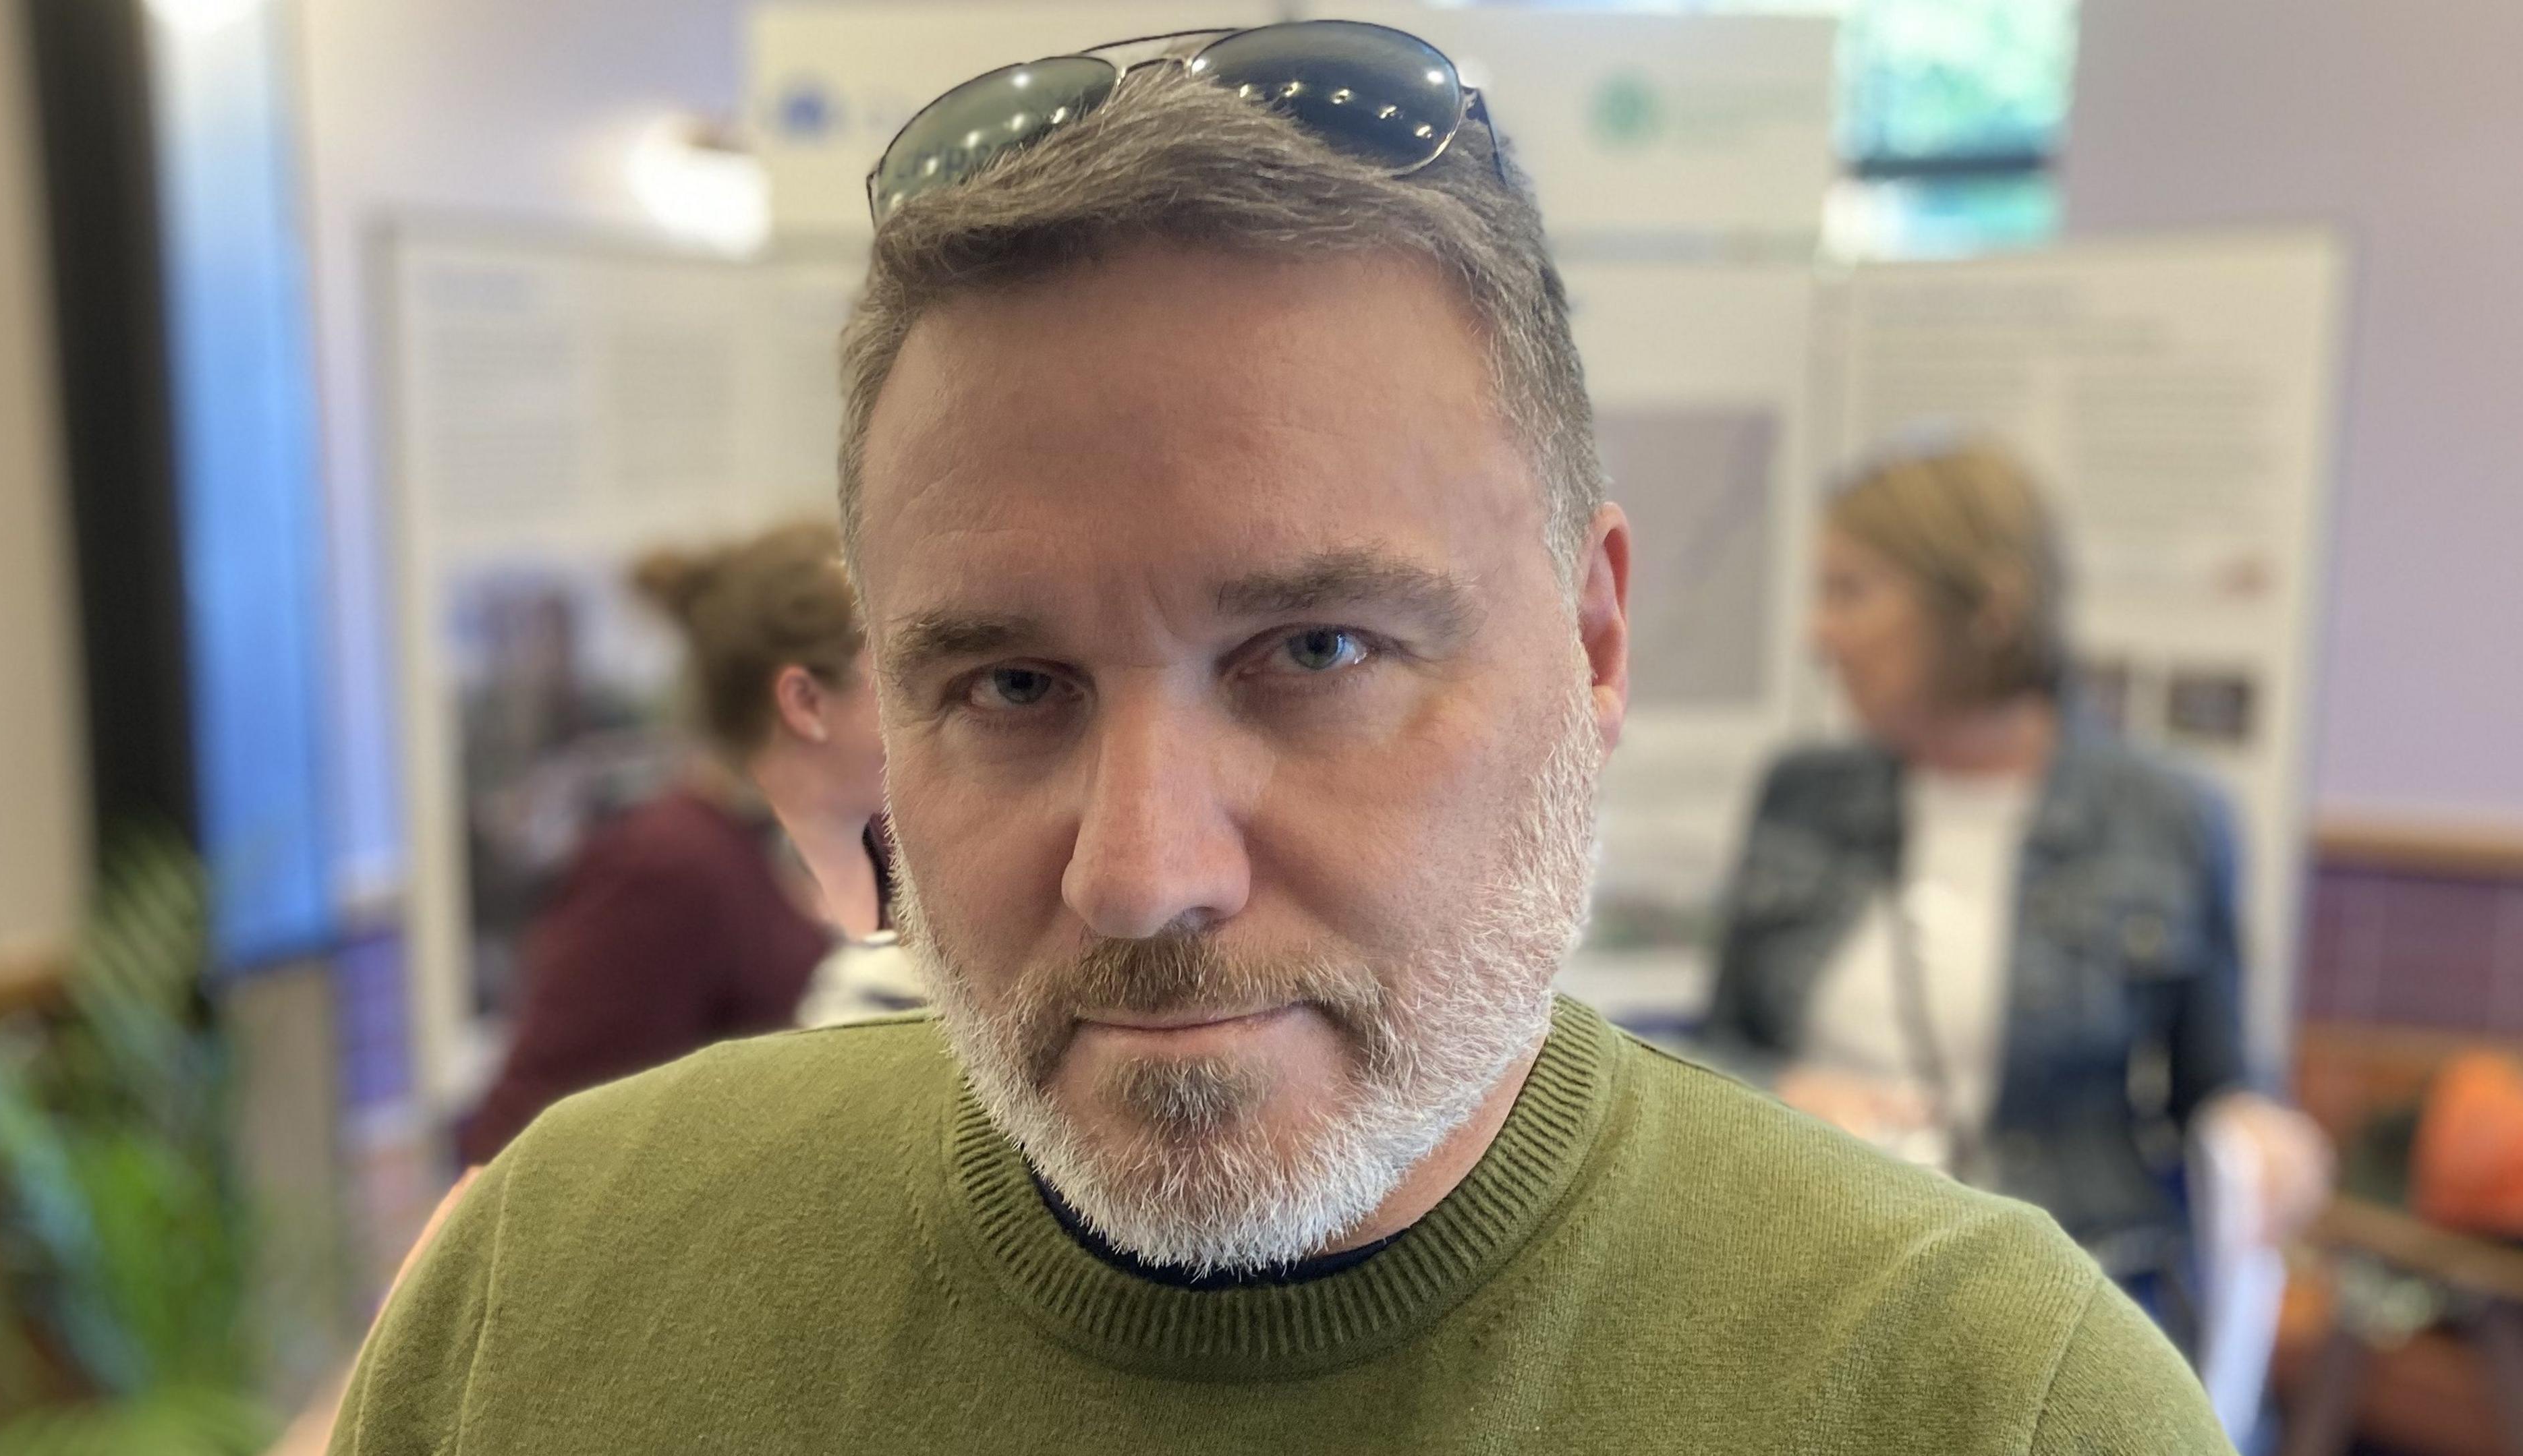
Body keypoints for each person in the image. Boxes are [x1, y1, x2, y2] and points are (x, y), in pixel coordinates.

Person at [333, 23, 2230, 1453]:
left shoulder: (1984, 1399)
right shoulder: (560, 1290)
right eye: (1009, 685)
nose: (1145, 867)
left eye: (1311, 647)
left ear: (1592, 637)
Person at [1703, 441, 2331, 1345]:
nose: (1817, 634)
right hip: (1812, 1281)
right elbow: (1713, 1045)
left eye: (1852, 592)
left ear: (1987, 609)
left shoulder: (2168, 814)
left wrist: (2266, 1138)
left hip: (2063, 1306)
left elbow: (2224, 1085)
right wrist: (1783, 1091)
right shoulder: (1802, 792)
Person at [454, 520, 884, 1164]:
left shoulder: (860, 843)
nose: (926, 708)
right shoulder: (665, 869)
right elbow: (515, 1151)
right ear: (805, 701)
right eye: (898, 676)